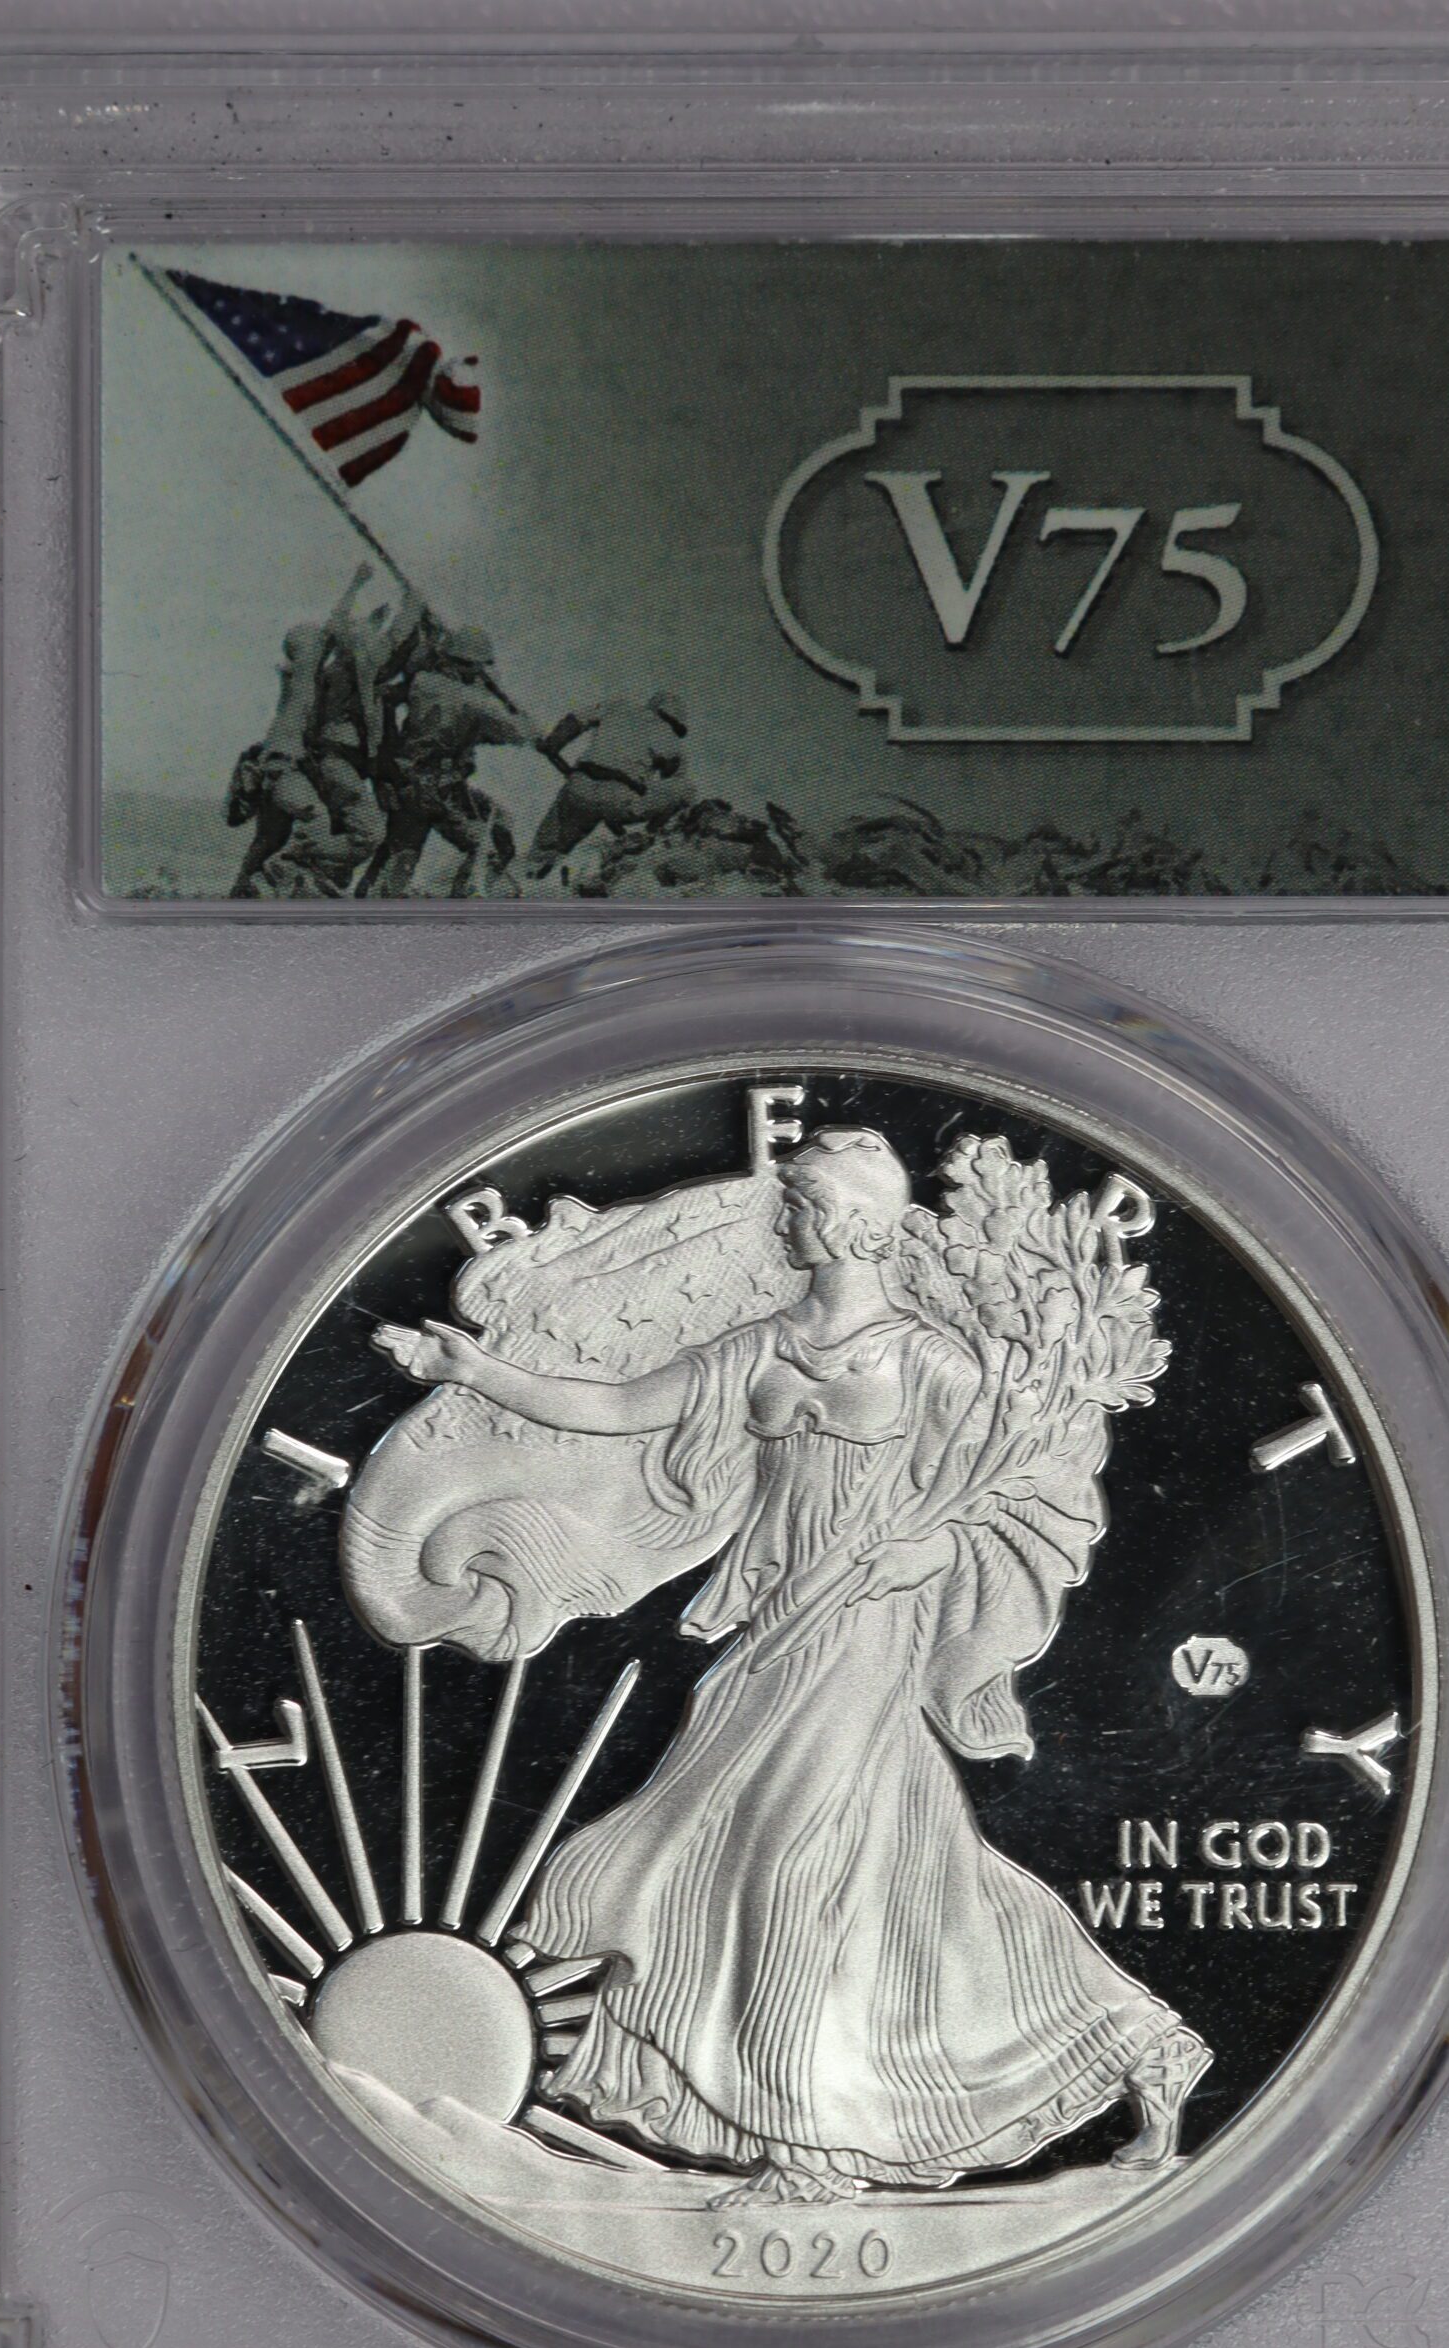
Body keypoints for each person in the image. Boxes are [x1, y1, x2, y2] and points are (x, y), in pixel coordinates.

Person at [373, 1128, 1210, 2202]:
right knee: (915, 1873)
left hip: (872, 1625)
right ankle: (1137, 2043)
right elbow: (620, 1407)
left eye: (805, 1206)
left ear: (857, 1225)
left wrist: (927, 1550)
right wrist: (473, 1369)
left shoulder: (932, 1363)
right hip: (781, 1624)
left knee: (786, 1857)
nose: (786, 1224)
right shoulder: (760, 1346)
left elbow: (1019, 1498)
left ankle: (809, 2150)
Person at [226, 566, 421, 897]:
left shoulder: (313, 677)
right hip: (298, 766)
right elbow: (353, 638)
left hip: (291, 766)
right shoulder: (312, 674)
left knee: (270, 836)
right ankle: (293, 868)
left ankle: (246, 889)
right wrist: (406, 602)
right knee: (339, 827)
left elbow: (343, 641)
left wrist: (363, 609)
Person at [357, 625, 537, 898]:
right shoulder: (475, 701)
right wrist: (507, 702)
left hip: (407, 781)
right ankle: (461, 900)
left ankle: (369, 897)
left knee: (398, 854)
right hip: (441, 790)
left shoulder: (422, 681)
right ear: (471, 666)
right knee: (494, 840)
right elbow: (523, 734)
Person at [522, 690, 694, 880]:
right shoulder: (669, 737)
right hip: (619, 800)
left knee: (547, 847)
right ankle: (647, 838)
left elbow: (575, 720)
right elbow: (672, 776)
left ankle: (531, 871)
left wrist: (553, 743)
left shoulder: (618, 706)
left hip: (579, 787)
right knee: (685, 789)